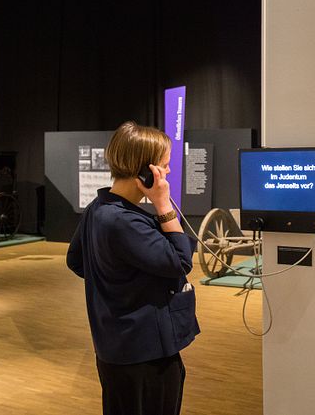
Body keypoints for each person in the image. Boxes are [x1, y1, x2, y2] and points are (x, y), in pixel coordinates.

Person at [67, 121, 199, 415]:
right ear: (145, 171)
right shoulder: (125, 222)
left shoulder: (98, 209)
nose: (167, 173)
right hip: (145, 353)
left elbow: (76, 260)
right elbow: (180, 262)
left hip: (117, 347)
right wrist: (163, 204)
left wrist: (122, 283)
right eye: (164, 166)